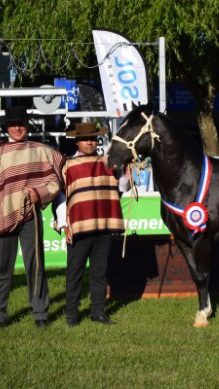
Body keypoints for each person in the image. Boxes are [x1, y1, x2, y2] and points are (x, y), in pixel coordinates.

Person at [0, 106, 65, 331]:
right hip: (2, 215)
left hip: (31, 215)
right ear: (6, 128)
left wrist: (40, 194)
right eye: (13, 124)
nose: (17, 128)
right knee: (0, 267)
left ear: (26, 126)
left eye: (21, 124)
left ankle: (40, 313)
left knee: (36, 265)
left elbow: (56, 179)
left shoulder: (41, 151)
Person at [56, 122, 125, 326]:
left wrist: (129, 172)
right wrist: (64, 223)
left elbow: (120, 187)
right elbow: (60, 196)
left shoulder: (107, 163)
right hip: (79, 226)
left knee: (99, 272)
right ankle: (71, 315)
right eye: (86, 139)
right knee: (74, 272)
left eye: (93, 139)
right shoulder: (68, 166)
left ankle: (98, 312)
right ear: (77, 141)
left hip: (103, 225)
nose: (90, 142)